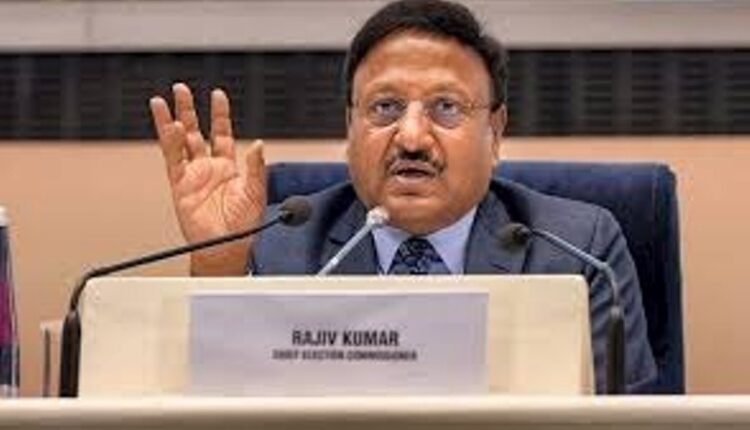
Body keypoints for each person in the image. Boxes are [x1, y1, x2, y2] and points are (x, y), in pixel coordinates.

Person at [149, 0, 656, 393]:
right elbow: (226, 409)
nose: (411, 137)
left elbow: (620, 417)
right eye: (386, 107)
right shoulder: (279, 247)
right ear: (350, 127)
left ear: (496, 131)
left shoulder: (577, 249)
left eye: (446, 107)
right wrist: (219, 266)